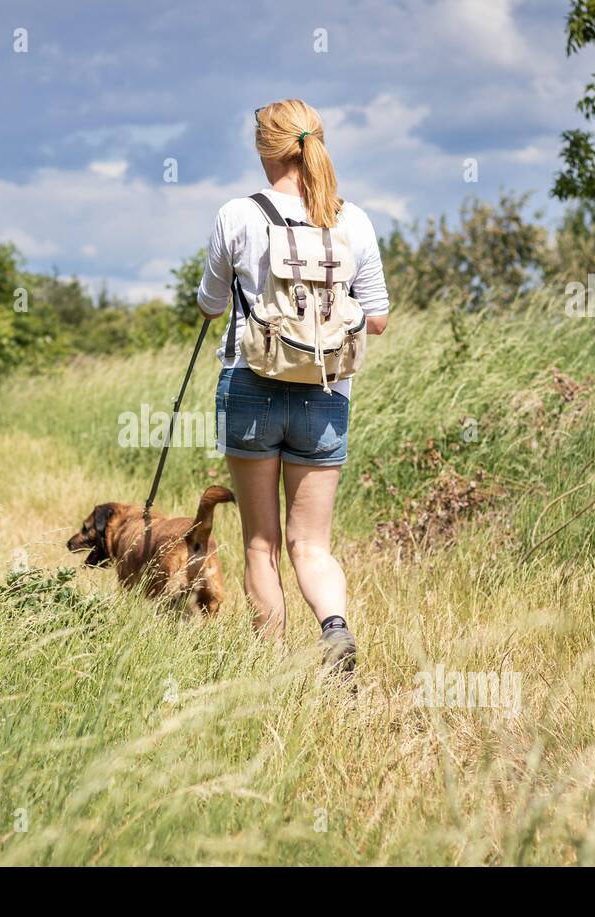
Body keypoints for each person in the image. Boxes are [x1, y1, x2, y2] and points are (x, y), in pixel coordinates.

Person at [195, 99, 389, 673]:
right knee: (313, 545)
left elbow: (209, 304)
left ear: (263, 150)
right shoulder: (353, 220)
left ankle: (272, 670)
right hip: (325, 395)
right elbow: (376, 317)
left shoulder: (237, 214)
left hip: (250, 386)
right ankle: (334, 628)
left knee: (262, 543)